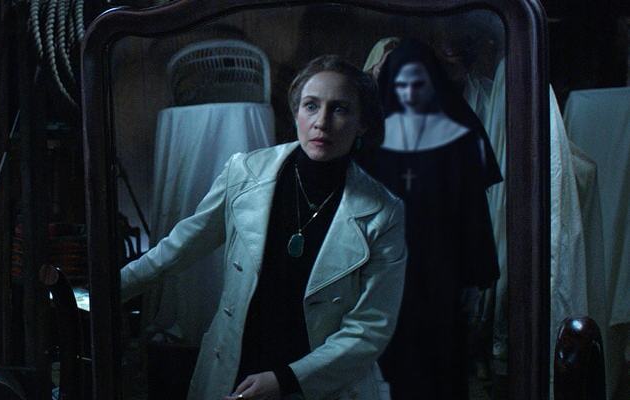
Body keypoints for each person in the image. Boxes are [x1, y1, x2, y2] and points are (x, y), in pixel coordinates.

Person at [120, 55, 406, 400]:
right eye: (311, 106)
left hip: (320, 385)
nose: (321, 122)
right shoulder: (245, 173)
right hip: (234, 369)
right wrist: (111, 289)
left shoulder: (383, 212)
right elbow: (178, 248)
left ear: (362, 123)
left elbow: (369, 329)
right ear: (296, 112)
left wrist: (285, 380)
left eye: (340, 109)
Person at [358, 39, 501, 400]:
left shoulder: (458, 134)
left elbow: (474, 211)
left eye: (418, 83)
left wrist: (475, 275)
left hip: (441, 269)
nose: (409, 92)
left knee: (439, 363)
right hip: (383, 268)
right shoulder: (368, 139)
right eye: (401, 84)